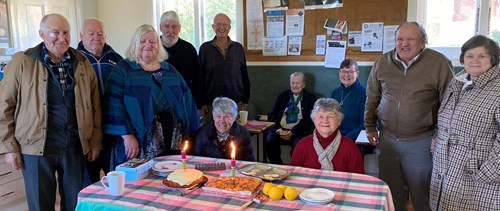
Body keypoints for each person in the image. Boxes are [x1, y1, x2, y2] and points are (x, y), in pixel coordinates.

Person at [0, 13, 102, 210]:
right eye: (55, 33)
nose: (61, 38)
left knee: (74, 202)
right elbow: (4, 106)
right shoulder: (23, 62)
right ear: (42, 34)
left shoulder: (81, 62)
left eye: (66, 33)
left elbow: (95, 104)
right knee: (40, 204)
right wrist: (10, 147)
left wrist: (95, 141)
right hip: (36, 147)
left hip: (74, 146)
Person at [364, 22, 453, 211]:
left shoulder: (439, 63)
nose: (404, 44)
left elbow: (449, 103)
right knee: (390, 192)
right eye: (399, 39)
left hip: (422, 141)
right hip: (387, 139)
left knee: (423, 193)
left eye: (410, 39)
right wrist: (370, 126)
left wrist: (439, 135)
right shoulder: (382, 62)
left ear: (422, 42)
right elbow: (372, 97)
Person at [103, 24, 199, 170]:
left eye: (152, 41)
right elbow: (113, 104)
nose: (148, 45)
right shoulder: (123, 70)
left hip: (172, 141)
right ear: (135, 44)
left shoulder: (170, 70)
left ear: (158, 45)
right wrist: (126, 136)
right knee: (139, 184)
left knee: (171, 180)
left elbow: (187, 102)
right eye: (143, 41)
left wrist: (191, 133)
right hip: (138, 142)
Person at [430, 35, 500, 210]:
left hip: (476, 171)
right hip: (446, 165)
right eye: (469, 56)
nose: (475, 60)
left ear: (493, 58)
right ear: (463, 59)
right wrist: (437, 139)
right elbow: (445, 117)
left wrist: (489, 170)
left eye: (482, 56)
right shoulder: (459, 82)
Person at [77, 17, 123, 187]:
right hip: (86, 130)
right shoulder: (74, 60)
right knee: (89, 181)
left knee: (116, 178)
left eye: (100, 33)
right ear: (82, 35)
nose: (96, 37)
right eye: (91, 33)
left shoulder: (117, 59)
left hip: (113, 130)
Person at [199, 13, 250, 123]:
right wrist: (202, 102)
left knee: (235, 138)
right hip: (212, 105)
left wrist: (245, 101)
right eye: (218, 24)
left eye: (225, 24)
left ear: (230, 27)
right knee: (210, 138)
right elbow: (200, 78)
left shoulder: (238, 48)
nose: (221, 27)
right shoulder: (204, 49)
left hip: (236, 104)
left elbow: (245, 76)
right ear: (213, 27)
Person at [290, 98, 364, 174]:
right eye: (320, 116)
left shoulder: (351, 148)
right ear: (314, 120)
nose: (325, 121)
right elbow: (293, 176)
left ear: (339, 121)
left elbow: (358, 181)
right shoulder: (302, 145)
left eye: (330, 117)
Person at [266, 72, 316, 164]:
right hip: (279, 129)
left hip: (298, 130)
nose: (295, 85)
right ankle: (278, 166)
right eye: (292, 83)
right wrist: (278, 129)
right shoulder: (283, 96)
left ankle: (294, 167)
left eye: (298, 83)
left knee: (298, 144)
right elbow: (272, 115)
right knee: (269, 141)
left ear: (304, 84)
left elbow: (309, 120)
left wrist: (293, 131)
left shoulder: (310, 98)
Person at [330, 59, 374, 156]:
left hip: (355, 139)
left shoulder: (364, 94)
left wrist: (344, 140)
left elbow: (365, 125)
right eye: (343, 71)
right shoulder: (335, 93)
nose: (346, 75)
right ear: (339, 73)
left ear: (357, 73)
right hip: (335, 137)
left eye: (350, 71)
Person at [159, 11, 201, 107]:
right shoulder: (152, 48)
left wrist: (199, 104)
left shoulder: (189, 49)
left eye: (174, 27)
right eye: (167, 26)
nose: (171, 31)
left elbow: (197, 79)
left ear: (180, 28)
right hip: (158, 103)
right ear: (160, 27)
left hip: (184, 102)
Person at [194, 97, 255, 161]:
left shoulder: (243, 133)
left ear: (235, 118)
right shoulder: (202, 133)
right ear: (213, 116)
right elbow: (196, 162)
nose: (222, 121)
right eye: (218, 116)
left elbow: (250, 162)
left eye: (227, 116)